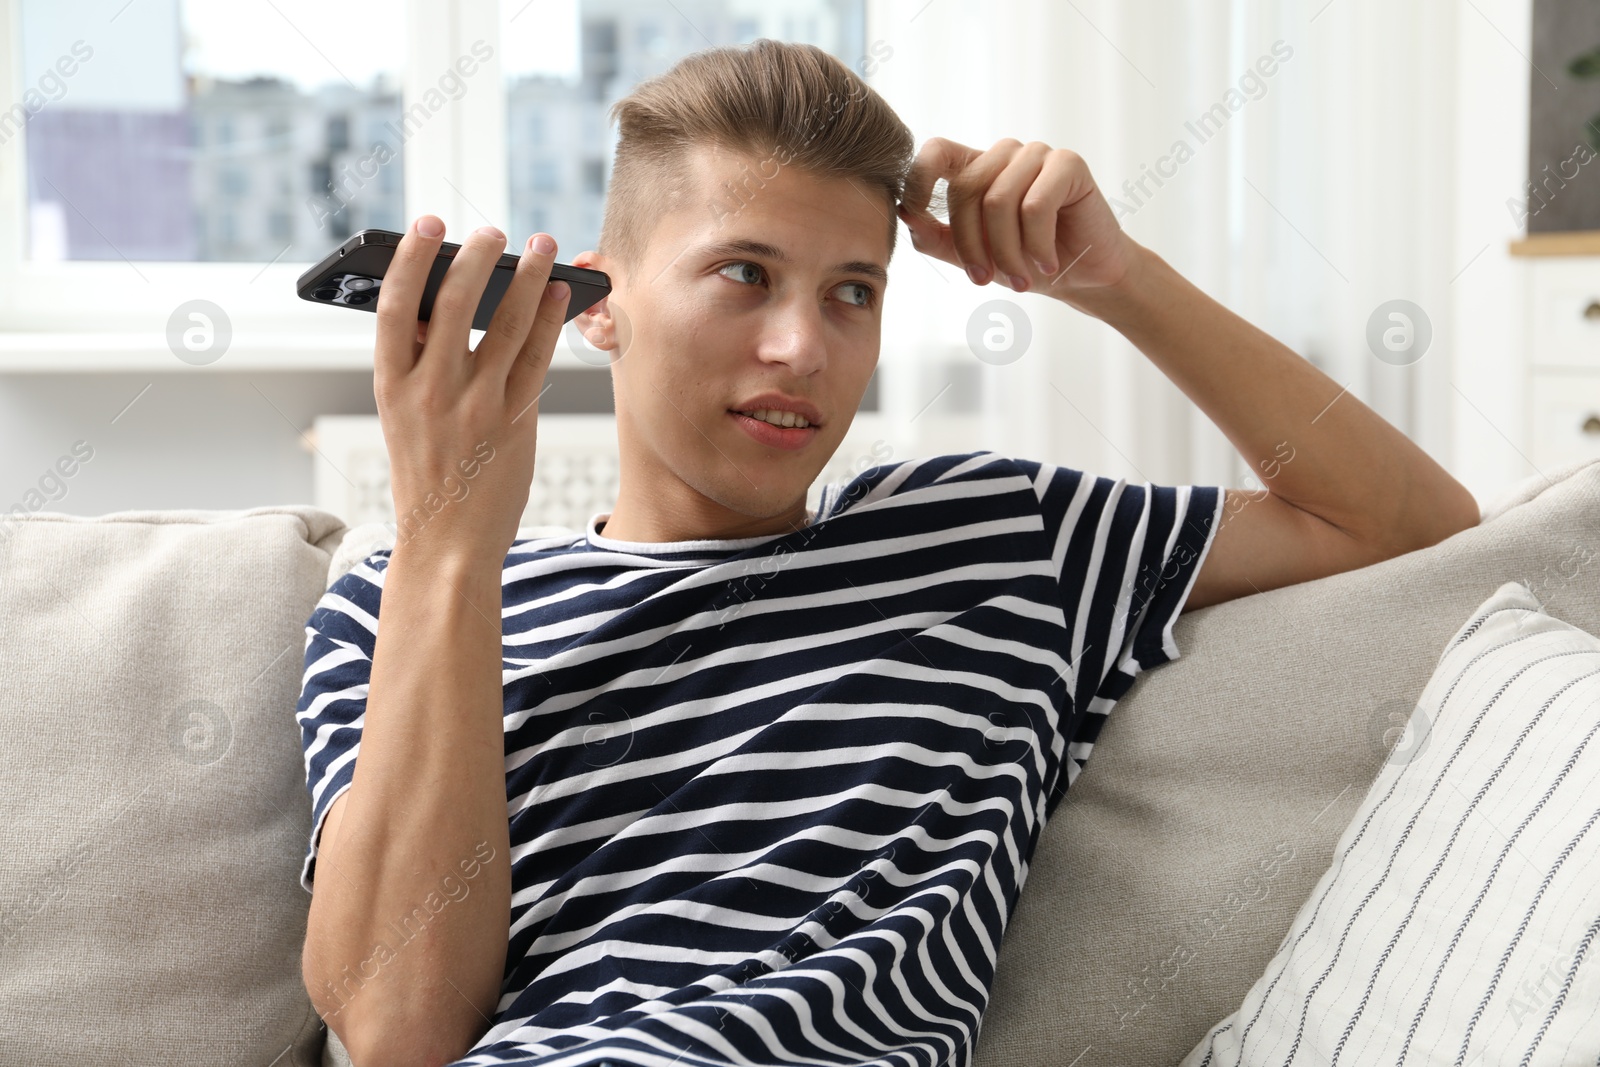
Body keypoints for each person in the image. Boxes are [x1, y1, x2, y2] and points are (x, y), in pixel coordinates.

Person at [294, 38, 1479, 1067]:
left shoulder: (990, 540)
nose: (803, 347)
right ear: (594, 304)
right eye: (744, 274)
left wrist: (1119, 282)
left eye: (853, 292)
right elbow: (402, 1025)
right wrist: (447, 548)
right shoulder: (387, 615)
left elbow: (1405, 527)